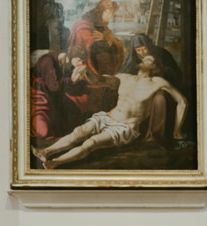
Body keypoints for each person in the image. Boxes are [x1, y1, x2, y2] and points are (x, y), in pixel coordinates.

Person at [32, 57, 187, 169]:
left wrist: (177, 130)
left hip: (124, 127)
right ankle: (45, 152)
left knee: (90, 143)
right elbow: (98, 80)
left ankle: (55, 163)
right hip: (108, 116)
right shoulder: (124, 77)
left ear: (156, 66)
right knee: (79, 132)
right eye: (144, 58)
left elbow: (182, 102)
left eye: (150, 59)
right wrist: (86, 71)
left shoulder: (158, 82)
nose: (146, 59)